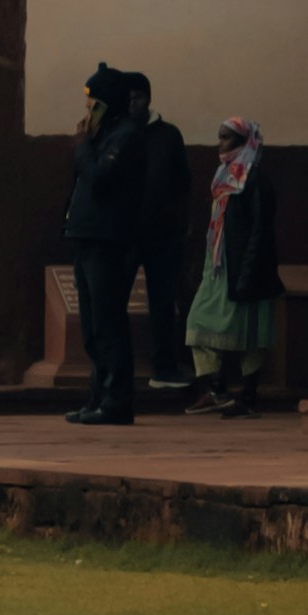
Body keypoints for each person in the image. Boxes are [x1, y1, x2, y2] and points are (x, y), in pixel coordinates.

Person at [63, 62, 151, 425]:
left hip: (107, 239)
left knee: (108, 322)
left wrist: (83, 148)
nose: (88, 113)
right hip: (86, 236)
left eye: (94, 104)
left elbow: (100, 179)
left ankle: (116, 401)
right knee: (91, 327)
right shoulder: (103, 136)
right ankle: (97, 397)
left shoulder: (126, 136)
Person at [187, 111, 282, 410]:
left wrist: (249, 271)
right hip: (219, 266)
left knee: (251, 332)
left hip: (245, 266)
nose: (220, 144)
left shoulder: (254, 179)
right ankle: (218, 391)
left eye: (227, 138)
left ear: (244, 141)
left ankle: (248, 397)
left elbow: (259, 228)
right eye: (220, 137)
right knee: (198, 322)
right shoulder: (224, 176)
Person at [136, 94, 198, 401]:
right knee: (111, 301)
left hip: (163, 233)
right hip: (125, 233)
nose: (131, 104)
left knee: (162, 301)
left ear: (146, 99)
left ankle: (164, 366)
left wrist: (179, 220)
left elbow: (182, 182)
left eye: (135, 98)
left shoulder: (167, 135)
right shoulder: (121, 132)